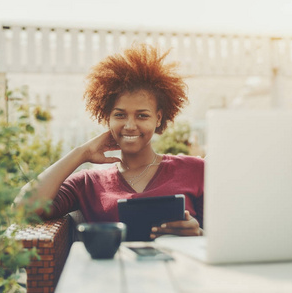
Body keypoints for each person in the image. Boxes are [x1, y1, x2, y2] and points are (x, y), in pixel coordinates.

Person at [18, 44, 204, 237]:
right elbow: (23, 208)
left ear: (158, 118)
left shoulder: (195, 170)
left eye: (142, 116)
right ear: (108, 118)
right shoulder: (88, 183)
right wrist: (82, 153)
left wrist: (198, 233)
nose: (130, 125)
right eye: (120, 115)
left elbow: (228, 238)